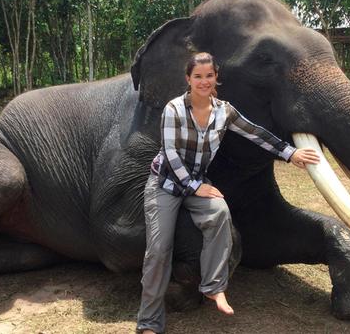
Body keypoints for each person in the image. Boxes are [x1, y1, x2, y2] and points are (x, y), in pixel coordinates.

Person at [136, 52, 320, 334]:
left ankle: (213, 286)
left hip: (197, 183)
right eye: (198, 76)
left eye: (209, 75)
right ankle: (149, 322)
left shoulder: (224, 111)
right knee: (159, 249)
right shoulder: (174, 109)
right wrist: (197, 187)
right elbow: (171, 155)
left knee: (220, 212)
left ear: (216, 78)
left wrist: (289, 152)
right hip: (166, 183)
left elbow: (255, 133)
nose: (204, 81)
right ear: (188, 79)